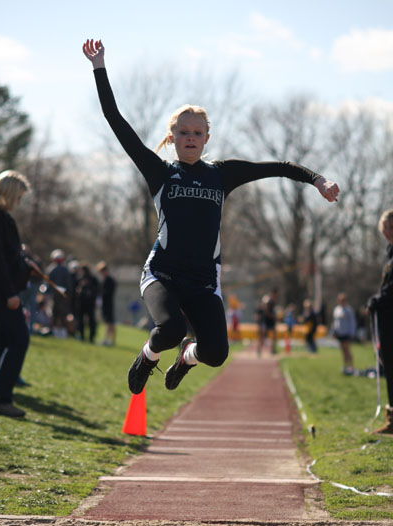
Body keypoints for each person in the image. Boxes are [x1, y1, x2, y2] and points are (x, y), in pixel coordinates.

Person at [83, 39, 340, 395]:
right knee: (169, 330)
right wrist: (99, 67)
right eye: (183, 132)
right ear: (172, 138)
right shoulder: (159, 172)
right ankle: (147, 358)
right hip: (163, 274)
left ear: (207, 138)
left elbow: (278, 167)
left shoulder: (221, 174)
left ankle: (186, 358)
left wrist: (317, 179)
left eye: (197, 133)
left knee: (217, 353)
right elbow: (115, 119)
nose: (190, 138)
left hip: (203, 280)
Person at [0, 170, 32, 418]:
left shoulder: (4, 219)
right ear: (7, 194)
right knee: (19, 339)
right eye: (18, 197)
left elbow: (9, 257)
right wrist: (9, 294)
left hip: (4, 291)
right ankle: (2, 397)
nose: (19, 202)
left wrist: (26, 266)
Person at [368, 209, 393, 435]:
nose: (387, 233)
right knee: (388, 366)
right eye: (385, 229)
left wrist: (378, 300)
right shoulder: (389, 251)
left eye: (391, 228)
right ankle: (392, 418)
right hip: (386, 316)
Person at [47, 249, 71, 338]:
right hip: (60, 295)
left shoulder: (52, 269)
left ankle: (58, 332)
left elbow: (48, 283)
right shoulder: (64, 269)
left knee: (57, 314)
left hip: (57, 295)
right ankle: (58, 333)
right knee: (60, 314)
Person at [331, 293, 357, 375]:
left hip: (347, 333)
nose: (342, 302)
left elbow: (352, 322)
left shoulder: (349, 310)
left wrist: (352, 333)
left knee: (347, 350)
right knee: (343, 350)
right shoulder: (336, 309)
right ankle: (345, 366)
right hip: (340, 333)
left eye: (343, 300)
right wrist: (333, 331)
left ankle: (352, 367)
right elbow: (335, 322)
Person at [75, 262, 99, 343]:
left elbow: (96, 290)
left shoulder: (92, 279)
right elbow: (76, 290)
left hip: (89, 302)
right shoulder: (80, 279)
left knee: (91, 321)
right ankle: (82, 336)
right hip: (82, 302)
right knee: (81, 321)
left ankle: (91, 337)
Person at [97, 261, 117, 346]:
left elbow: (106, 293)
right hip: (105, 304)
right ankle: (111, 340)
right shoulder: (105, 280)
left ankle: (107, 340)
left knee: (109, 322)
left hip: (108, 304)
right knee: (110, 322)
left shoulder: (109, 280)